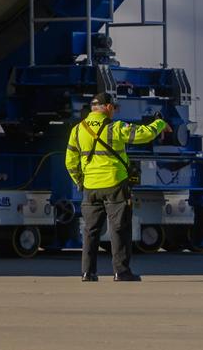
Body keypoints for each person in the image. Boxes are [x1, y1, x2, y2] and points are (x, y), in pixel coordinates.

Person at [65, 92, 168, 282]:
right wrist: (160, 123)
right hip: (115, 185)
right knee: (119, 229)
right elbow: (143, 135)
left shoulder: (78, 129)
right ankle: (121, 272)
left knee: (90, 230)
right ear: (108, 107)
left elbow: (70, 161)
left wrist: (80, 180)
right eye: (114, 108)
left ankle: (88, 273)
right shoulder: (116, 127)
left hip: (90, 187)